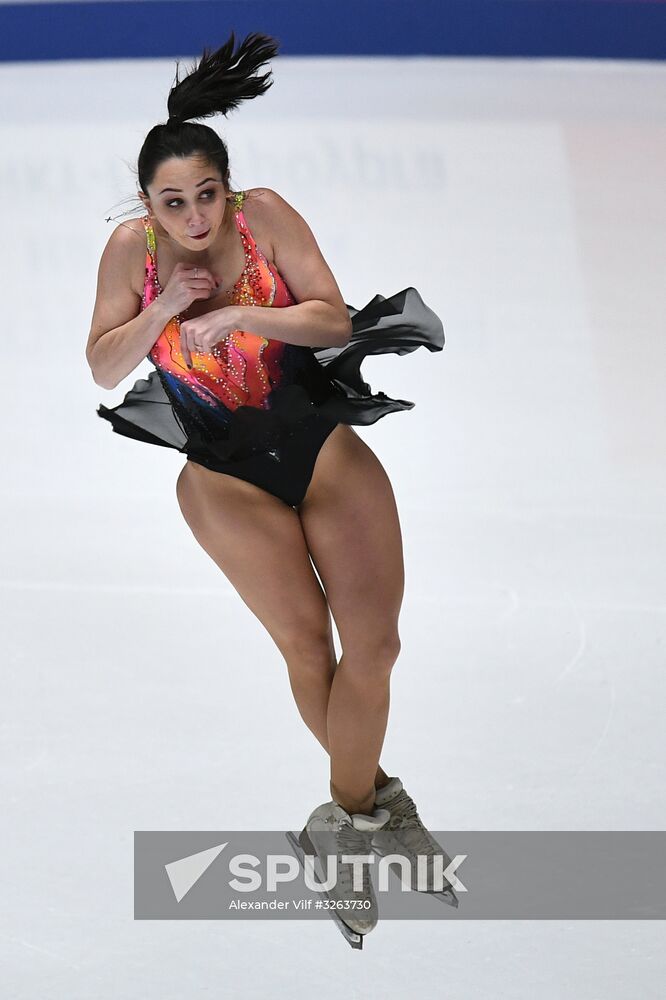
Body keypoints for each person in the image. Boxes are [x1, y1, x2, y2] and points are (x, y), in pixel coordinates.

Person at [86, 31, 453, 944]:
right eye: (173, 201)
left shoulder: (267, 219)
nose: (194, 216)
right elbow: (101, 366)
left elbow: (331, 314)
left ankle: (351, 816)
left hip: (312, 438)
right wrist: (167, 306)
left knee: (377, 647)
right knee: (307, 646)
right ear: (148, 203)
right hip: (221, 473)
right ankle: (370, 817)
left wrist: (247, 309)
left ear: (229, 188)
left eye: (206, 194)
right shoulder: (131, 253)